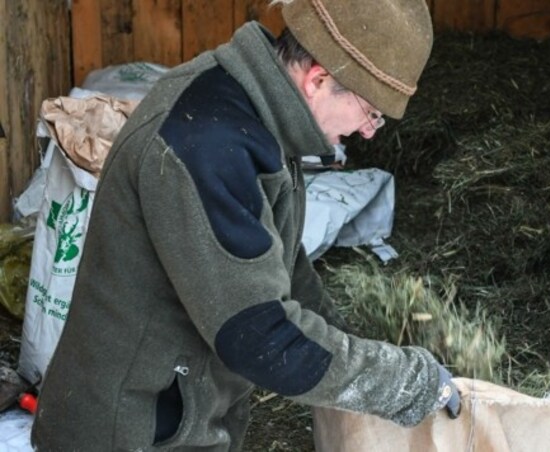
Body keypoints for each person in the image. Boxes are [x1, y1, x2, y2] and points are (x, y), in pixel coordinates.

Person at [31, 0, 460, 449]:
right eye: (371, 112)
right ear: (318, 80)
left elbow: (286, 276)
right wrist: (404, 381)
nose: (369, 131)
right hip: (129, 432)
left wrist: (356, 351)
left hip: (183, 415)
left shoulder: (257, 114)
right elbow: (260, 338)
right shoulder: (207, 146)